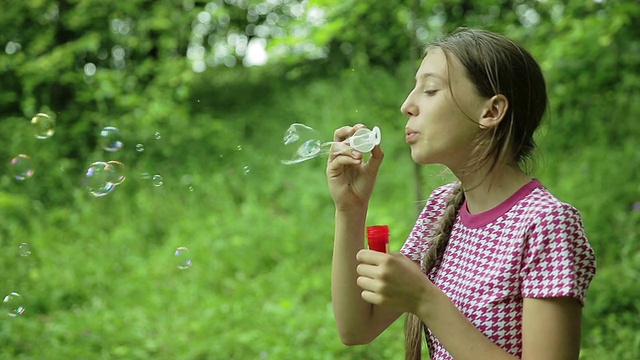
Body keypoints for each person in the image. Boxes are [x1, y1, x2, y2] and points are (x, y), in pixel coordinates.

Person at [326, 27, 596, 360]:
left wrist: (426, 301)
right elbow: (356, 328)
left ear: (491, 111)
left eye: (430, 90)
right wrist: (350, 209)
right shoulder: (442, 207)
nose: (407, 106)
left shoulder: (546, 223)